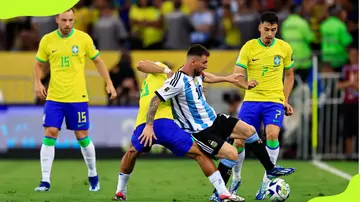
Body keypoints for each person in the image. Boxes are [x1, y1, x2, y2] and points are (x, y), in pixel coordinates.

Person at [140, 44, 295, 202]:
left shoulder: (196, 73)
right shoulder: (177, 81)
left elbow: (207, 77)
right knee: (232, 154)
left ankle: (270, 169)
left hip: (215, 120)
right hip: (201, 131)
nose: (206, 66)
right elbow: (155, 99)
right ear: (193, 61)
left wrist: (226, 78)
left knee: (249, 131)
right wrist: (149, 125)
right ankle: (218, 193)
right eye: (204, 62)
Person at [114, 60, 245, 202]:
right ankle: (223, 192)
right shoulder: (164, 71)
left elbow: (142, 66)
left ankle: (120, 191)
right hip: (163, 124)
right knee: (199, 154)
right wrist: (166, 70)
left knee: (131, 152)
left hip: (145, 124)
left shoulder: (160, 82)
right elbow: (140, 64)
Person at [33, 8, 117, 192]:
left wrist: (109, 83)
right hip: (54, 97)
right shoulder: (47, 40)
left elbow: (98, 61)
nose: (67, 24)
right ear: (57, 19)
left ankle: (93, 174)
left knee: (82, 136)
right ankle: (45, 181)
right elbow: (38, 63)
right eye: (64, 20)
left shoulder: (83, 39)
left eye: (71, 20)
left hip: (77, 97)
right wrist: (37, 82)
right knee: (51, 132)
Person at [229, 11, 295, 200]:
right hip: (251, 100)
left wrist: (285, 99)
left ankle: (266, 182)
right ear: (260, 27)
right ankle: (236, 178)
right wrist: (245, 84)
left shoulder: (284, 48)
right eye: (266, 29)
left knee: (272, 134)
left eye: (273, 30)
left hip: (274, 100)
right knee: (239, 141)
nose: (269, 34)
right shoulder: (249, 47)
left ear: (277, 29)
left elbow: (289, 76)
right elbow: (237, 75)